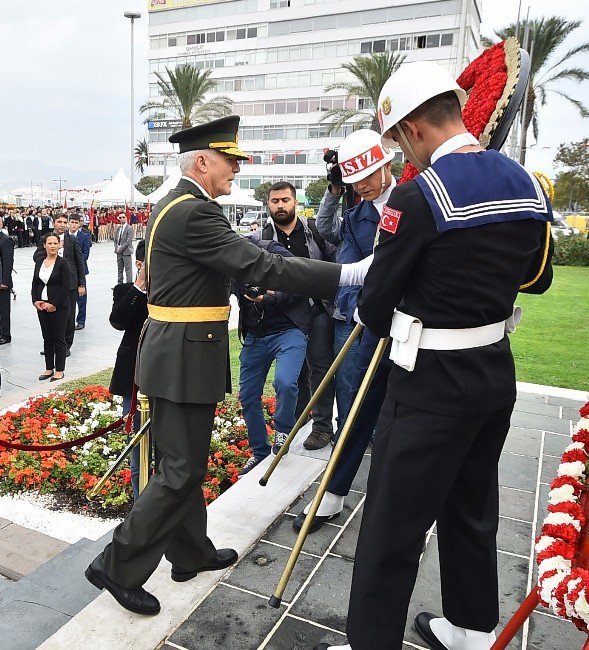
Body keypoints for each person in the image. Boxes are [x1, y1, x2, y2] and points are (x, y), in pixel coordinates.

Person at [85, 114, 371, 616]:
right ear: (202, 160)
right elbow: (264, 265)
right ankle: (117, 563)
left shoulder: (174, 204)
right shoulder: (194, 213)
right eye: (230, 161)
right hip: (183, 357)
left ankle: (189, 552)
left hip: (182, 352)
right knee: (179, 470)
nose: (236, 170)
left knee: (186, 462)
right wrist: (347, 273)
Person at [314, 61, 554, 650]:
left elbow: (373, 305)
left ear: (415, 129)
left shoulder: (422, 196)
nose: (401, 153)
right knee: (472, 507)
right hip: (495, 372)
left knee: (391, 524)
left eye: (398, 140)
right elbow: (535, 277)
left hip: (429, 386)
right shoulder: (527, 182)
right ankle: (471, 630)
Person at [294, 130, 396, 533]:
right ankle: (332, 495)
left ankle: (393, 499)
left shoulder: (420, 198)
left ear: (386, 163)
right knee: (356, 407)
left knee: (404, 418)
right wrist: (361, 310)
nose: (364, 186)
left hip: (421, 329)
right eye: (355, 181)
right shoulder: (356, 217)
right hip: (373, 325)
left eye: (369, 175)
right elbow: (353, 271)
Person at [261, 182, 338, 451]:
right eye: (274, 201)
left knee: (320, 368)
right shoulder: (262, 238)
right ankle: (298, 421)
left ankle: (322, 427)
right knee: (293, 374)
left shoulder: (314, 231)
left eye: (285, 200)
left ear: (295, 202)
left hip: (315, 312)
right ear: (268, 204)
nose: (280, 205)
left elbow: (333, 266)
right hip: (283, 316)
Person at [234, 237, 314, 476]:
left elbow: (302, 282)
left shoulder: (272, 252)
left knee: (285, 382)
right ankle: (259, 452)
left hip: (288, 330)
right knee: (248, 395)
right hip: (256, 336)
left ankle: (283, 432)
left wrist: (272, 297)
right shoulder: (229, 265)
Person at [109, 240, 149, 500]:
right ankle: (139, 506)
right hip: (133, 376)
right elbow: (118, 321)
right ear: (138, 263)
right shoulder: (125, 290)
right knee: (136, 446)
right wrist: (140, 286)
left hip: (165, 375)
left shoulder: (171, 292)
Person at [33, 214, 86, 356]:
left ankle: (66, 345)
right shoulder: (46, 239)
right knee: (50, 315)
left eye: (64, 222)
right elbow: (36, 257)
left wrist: (82, 283)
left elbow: (80, 262)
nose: (62, 224)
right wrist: (51, 248)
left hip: (70, 284)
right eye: (59, 222)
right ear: (54, 223)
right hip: (51, 285)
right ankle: (50, 344)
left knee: (68, 316)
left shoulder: (72, 240)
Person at [32, 234, 71, 382]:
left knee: (58, 338)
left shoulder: (63, 263)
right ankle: (49, 368)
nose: (53, 246)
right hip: (42, 305)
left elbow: (65, 286)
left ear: (59, 245)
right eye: (50, 243)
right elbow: (35, 283)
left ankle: (59, 370)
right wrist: (35, 301)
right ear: (44, 245)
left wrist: (53, 304)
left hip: (58, 306)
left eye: (55, 243)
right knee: (47, 337)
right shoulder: (40, 261)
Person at [68, 213, 92, 330]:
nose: (74, 225)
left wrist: (75, 263)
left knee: (81, 297)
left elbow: (86, 253)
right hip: (65, 271)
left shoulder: (84, 236)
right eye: (72, 222)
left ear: (79, 224)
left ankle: (81, 320)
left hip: (80, 271)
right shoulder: (63, 236)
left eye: (76, 223)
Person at [0, 214, 14, 345]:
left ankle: (5, 334)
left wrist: (4, 281)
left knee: (3, 310)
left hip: (2, 282)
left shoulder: (5, 240)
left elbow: (8, 262)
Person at [114, 212, 134, 284]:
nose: (122, 219)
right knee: (120, 269)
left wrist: (120, 248)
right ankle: (120, 285)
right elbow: (115, 240)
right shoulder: (118, 228)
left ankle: (129, 285)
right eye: (120, 218)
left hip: (126, 251)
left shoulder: (129, 228)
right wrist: (116, 248)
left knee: (128, 270)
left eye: (123, 217)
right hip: (118, 252)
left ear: (126, 218)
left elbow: (128, 241)